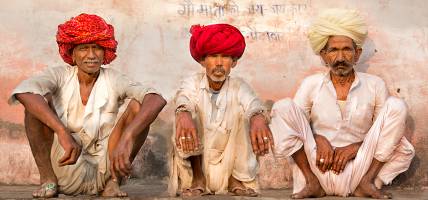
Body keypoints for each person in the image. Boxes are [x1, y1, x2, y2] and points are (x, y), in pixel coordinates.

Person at [8, 13, 166, 198]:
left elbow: (156, 99)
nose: (91, 55)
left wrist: (128, 137)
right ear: (72, 54)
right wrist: (61, 131)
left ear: (104, 52)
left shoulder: (114, 78)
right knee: (35, 104)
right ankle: (47, 180)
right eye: (83, 48)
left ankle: (114, 183)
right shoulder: (59, 75)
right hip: (64, 165)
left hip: (106, 170)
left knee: (139, 106)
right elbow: (24, 92)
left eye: (97, 48)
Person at [269, 9, 415, 199]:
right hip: (318, 165)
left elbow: (383, 132)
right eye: (333, 50)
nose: (340, 58)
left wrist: (357, 147)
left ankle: (367, 183)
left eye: (347, 49)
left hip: (361, 167)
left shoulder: (375, 84)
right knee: (282, 107)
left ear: (357, 54)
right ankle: (312, 183)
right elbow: (295, 126)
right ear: (324, 55)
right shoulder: (311, 84)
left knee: (397, 106)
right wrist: (318, 138)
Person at [168, 24, 273, 197]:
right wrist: (183, 113)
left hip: (228, 162)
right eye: (213, 56)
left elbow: (253, 103)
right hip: (200, 161)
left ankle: (235, 179)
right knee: (184, 113)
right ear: (202, 61)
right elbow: (183, 98)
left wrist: (258, 118)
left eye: (225, 57)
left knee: (248, 114)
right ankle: (198, 177)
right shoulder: (192, 82)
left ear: (234, 62)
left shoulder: (239, 86)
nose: (218, 63)